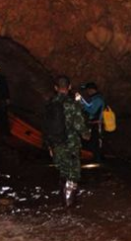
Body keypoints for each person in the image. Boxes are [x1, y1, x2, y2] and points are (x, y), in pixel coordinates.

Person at [44, 75, 91, 207]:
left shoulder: (49, 104)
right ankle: (70, 206)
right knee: (73, 174)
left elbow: (46, 126)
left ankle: (62, 201)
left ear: (55, 88)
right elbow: (79, 126)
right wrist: (87, 134)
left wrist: (49, 146)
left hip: (55, 144)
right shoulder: (72, 104)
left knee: (63, 172)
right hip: (71, 145)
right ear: (69, 87)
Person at [76, 82, 105, 162]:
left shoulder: (98, 99)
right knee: (93, 142)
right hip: (93, 124)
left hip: (98, 124)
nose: (87, 92)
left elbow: (92, 110)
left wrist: (82, 104)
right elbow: (88, 106)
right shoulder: (94, 98)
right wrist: (81, 101)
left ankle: (98, 160)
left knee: (97, 142)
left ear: (91, 90)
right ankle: (96, 158)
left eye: (88, 90)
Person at [0, 60, 12, 136]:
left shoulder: (1, 78)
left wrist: (7, 98)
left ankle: (6, 132)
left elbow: (6, 88)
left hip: (2, 100)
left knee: (4, 116)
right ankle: (2, 131)